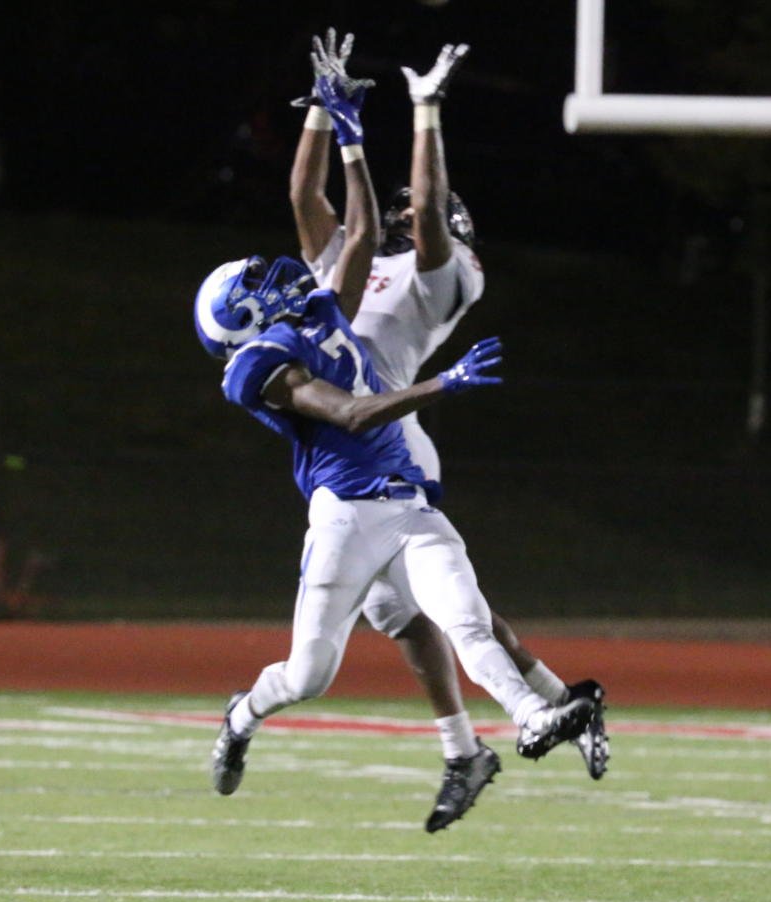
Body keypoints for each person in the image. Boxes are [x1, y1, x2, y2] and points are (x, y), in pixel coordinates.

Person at [194, 32, 596, 832]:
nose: (281, 276)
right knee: (324, 666)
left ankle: (531, 715)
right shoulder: (263, 366)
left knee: (458, 613)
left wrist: (339, 128)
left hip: (403, 474)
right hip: (358, 472)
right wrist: (445, 383)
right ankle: (252, 714)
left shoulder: (357, 295)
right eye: (258, 286)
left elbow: (341, 215)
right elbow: (344, 404)